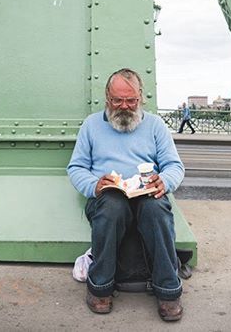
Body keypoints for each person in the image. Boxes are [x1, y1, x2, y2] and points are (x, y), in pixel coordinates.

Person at [67, 68, 185, 322]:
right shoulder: (91, 125)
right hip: (107, 197)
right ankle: (100, 288)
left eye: (131, 101)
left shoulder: (154, 125)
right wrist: (94, 185)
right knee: (111, 208)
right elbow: (75, 167)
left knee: (156, 210)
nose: (124, 106)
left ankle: (168, 290)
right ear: (107, 98)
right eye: (117, 100)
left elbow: (175, 166)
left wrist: (164, 181)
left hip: (146, 193)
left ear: (141, 97)